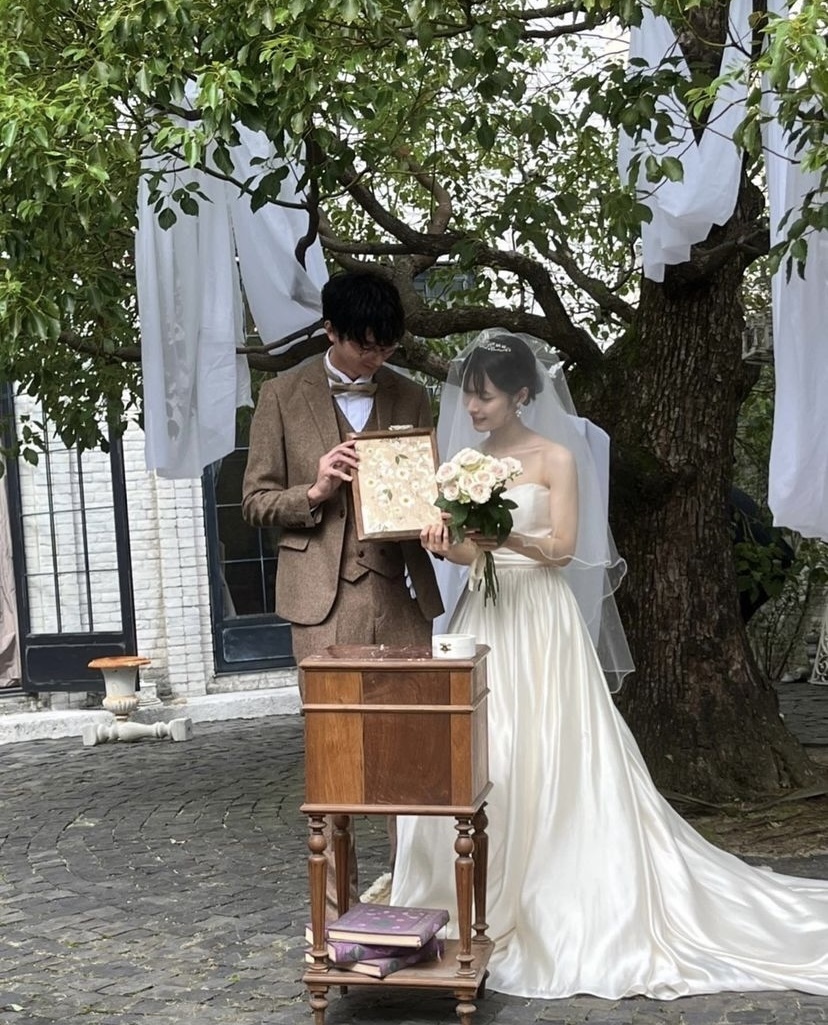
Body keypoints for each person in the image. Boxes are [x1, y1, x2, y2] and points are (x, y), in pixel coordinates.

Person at [391, 329, 828, 1000]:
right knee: (485, 753)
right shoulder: (464, 462)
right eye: (469, 397)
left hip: (540, 621)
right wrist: (443, 540)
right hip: (485, 618)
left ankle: (556, 884)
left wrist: (501, 532)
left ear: (522, 394)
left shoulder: (556, 457)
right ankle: (477, 888)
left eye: (484, 396)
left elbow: (563, 549)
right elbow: (468, 557)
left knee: (548, 748)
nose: (472, 408)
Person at [242, 271, 443, 914]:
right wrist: (316, 490)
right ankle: (337, 910)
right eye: (364, 348)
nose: (376, 359)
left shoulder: (412, 397)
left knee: (408, 750)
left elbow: (422, 490)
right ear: (330, 330)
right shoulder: (280, 393)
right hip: (318, 601)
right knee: (337, 756)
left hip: (399, 591)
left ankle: (413, 897)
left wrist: (436, 511)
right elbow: (254, 501)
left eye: (386, 348)